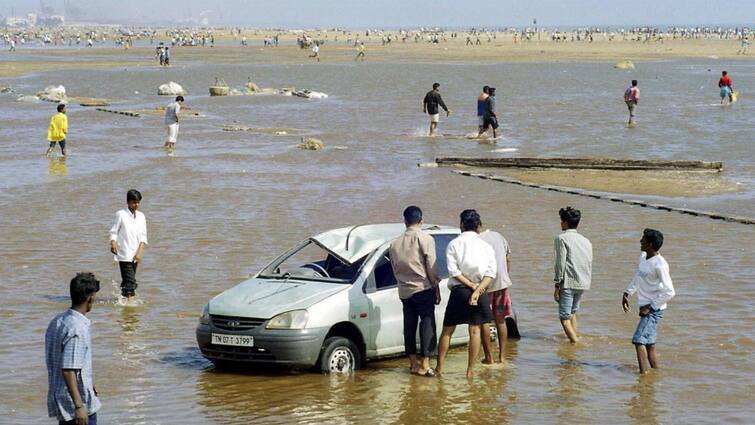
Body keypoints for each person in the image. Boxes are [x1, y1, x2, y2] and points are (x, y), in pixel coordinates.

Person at [437, 209, 496, 378]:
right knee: (475, 330)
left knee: (448, 330)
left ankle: (440, 368)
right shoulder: (486, 246)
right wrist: (477, 290)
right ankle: (470, 371)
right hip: (480, 289)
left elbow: (454, 272)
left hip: (459, 291)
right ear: (478, 226)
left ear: (461, 224)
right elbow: (491, 273)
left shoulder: (454, 244)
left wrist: (470, 286)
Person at [389, 206, 441, 377]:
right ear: (421, 220)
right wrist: (435, 285)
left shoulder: (394, 243)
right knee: (427, 325)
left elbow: (394, 268)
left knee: (409, 326)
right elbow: (431, 265)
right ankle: (425, 364)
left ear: (405, 221)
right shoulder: (425, 238)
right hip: (422, 287)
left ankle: (412, 364)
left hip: (404, 290)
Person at [45, 272, 102, 425]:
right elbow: (68, 369)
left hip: (64, 401)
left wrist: (90, 385)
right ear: (90, 298)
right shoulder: (77, 329)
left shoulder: (58, 321)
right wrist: (79, 406)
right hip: (77, 408)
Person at [622, 229, 675, 374]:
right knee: (650, 345)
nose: (640, 241)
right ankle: (655, 376)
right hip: (646, 307)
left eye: (643, 239)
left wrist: (650, 307)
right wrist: (627, 292)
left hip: (654, 310)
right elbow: (638, 276)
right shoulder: (643, 256)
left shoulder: (660, 265)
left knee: (638, 341)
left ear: (650, 244)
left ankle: (644, 379)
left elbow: (670, 291)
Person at [553, 206, 592, 344]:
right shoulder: (586, 240)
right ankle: (574, 337)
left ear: (565, 222)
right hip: (583, 281)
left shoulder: (561, 238)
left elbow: (560, 263)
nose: (560, 223)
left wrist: (557, 284)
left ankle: (575, 343)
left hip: (568, 282)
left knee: (564, 317)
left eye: (561, 220)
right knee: (572, 312)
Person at [479, 225, 513, 364]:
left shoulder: (477, 240)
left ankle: (489, 358)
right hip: (501, 282)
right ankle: (502, 357)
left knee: (484, 321)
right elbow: (508, 259)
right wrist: (504, 276)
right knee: (501, 320)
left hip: (485, 283)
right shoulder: (498, 236)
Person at [109, 189, 148, 302]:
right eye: (133, 202)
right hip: (124, 253)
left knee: (127, 281)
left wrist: (140, 252)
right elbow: (114, 231)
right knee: (131, 280)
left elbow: (143, 236)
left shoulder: (141, 216)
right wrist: (113, 242)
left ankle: (123, 302)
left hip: (136, 254)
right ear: (128, 202)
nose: (136, 205)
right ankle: (131, 305)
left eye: (138, 202)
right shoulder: (121, 214)